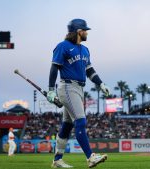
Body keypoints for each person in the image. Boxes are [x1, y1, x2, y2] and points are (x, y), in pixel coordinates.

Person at [47, 18, 109, 168]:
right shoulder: (63, 46)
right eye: (85, 30)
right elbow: (54, 68)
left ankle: (57, 160)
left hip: (79, 89)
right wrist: (50, 90)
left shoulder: (85, 49)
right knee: (80, 121)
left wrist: (100, 83)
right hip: (68, 87)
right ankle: (90, 157)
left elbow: (90, 71)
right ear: (78, 31)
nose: (87, 32)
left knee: (67, 126)